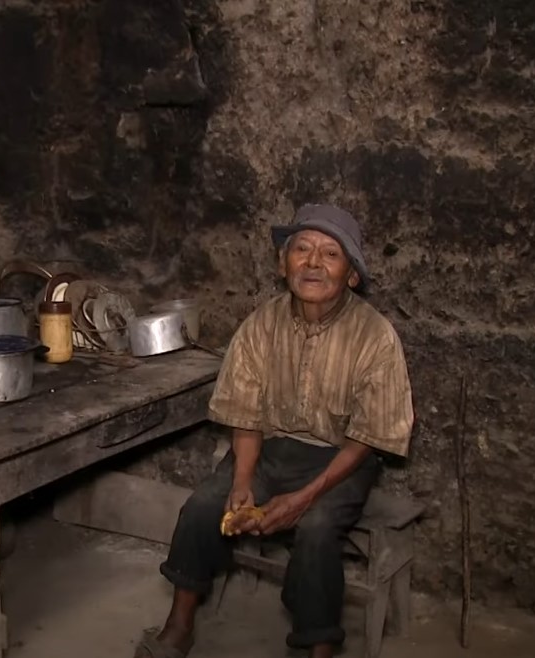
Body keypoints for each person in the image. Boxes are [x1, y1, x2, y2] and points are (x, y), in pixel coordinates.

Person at [134, 204, 414, 658]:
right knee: (205, 505)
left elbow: (369, 435)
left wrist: (303, 499)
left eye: (330, 254)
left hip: (341, 458)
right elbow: (245, 412)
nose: (313, 262)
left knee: (319, 528)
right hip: (270, 449)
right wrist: (243, 481)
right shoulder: (260, 325)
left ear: (352, 277)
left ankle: (318, 647)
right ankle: (179, 625)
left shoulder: (375, 337)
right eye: (301, 249)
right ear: (283, 264)